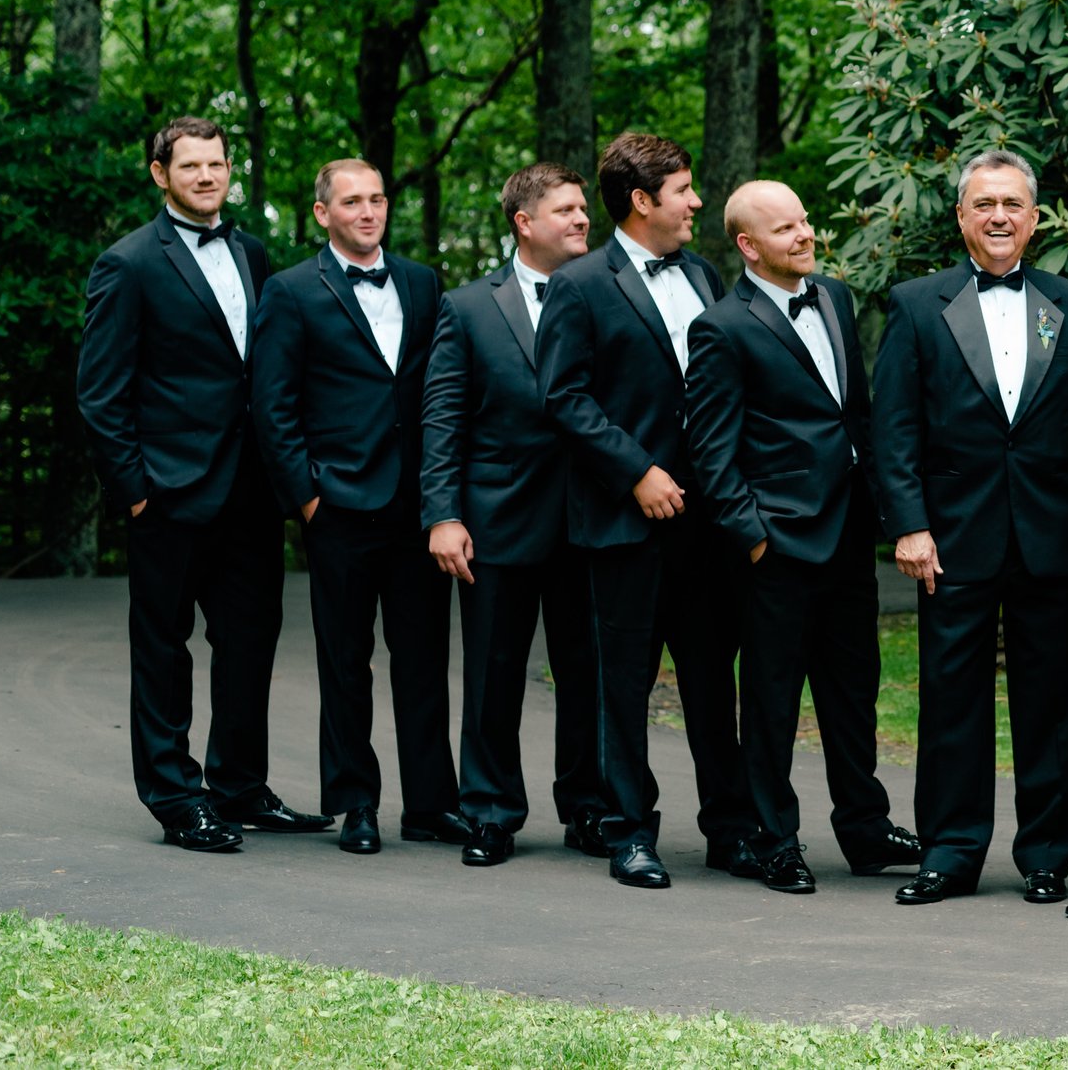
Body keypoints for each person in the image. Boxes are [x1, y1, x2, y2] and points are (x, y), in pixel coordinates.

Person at [78, 116, 325, 853]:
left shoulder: (251, 252)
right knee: (164, 648)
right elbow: (99, 392)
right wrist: (135, 490)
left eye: (217, 163)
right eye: (191, 166)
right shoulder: (126, 264)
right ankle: (176, 797)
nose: (208, 176)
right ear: (161, 173)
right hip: (169, 490)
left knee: (250, 641)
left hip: (252, 488)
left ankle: (240, 786)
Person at [872, 150, 1068, 905]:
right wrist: (908, 525)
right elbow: (893, 429)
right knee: (950, 700)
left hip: (1049, 533)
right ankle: (950, 850)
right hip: (951, 537)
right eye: (984, 204)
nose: (999, 215)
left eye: (1012, 203)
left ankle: (1047, 853)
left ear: (1035, 217)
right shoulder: (914, 305)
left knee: (1054, 703)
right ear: (962, 216)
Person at [685, 180, 921, 896]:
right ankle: (773, 837)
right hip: (778, 547)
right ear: (749, 244)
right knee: (772, 699)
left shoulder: (835, 299)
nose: (806, 233)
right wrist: (755, 537)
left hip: (849, 535)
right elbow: (712, 451)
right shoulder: (721, 327)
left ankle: (864, 827)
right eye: (786, 227)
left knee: (854, 692)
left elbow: (851, 413)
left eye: (806, 219)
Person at [535, 132, 754, 888]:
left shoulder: (702, 272)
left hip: (706, 523)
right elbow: (563, 397)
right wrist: (637, 473)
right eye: (685, 190)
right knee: (621, 684)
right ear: (641, 200)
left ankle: (730, 828)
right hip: (624, 521)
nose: (697, 202)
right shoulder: (580, 284)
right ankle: (630, 831)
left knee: (708, 679)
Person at [250, 159, 460, 856]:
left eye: (376, 199)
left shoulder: (424, 283)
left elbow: (438, 391)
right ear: (322, 213)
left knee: (425, 659)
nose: (368, 211)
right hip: (337, 506)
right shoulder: (289, 292)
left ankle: (432, 803)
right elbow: (272, 408)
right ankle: (355, 803)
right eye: (351, 201)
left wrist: (441, 495)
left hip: (414, 506)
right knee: (346, 660)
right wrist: (308, 500)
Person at [421, 162, 606, 867]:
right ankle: (491, 811)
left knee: (588, 672)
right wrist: (443, 512)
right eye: (565, 209)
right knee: (493, 673)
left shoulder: (604, 294)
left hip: (591, 517)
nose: (582, 218)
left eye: (584, 207)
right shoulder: (469, 306)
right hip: (497, 518)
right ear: (524, 223)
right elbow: (442, 415)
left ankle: (588, 808)